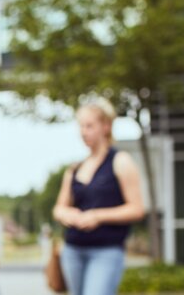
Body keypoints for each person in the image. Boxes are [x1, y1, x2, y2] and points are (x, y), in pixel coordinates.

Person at [52, 99, 145, 295]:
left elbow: (137, 208)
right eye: (81, 126)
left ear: (106, 126)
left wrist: (97, 216)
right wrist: (67, 214)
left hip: (106, 251)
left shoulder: (121, 162)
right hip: (73, 250)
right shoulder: (75, 168)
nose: (83, 132)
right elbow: (59, 208)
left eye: (89, 126)